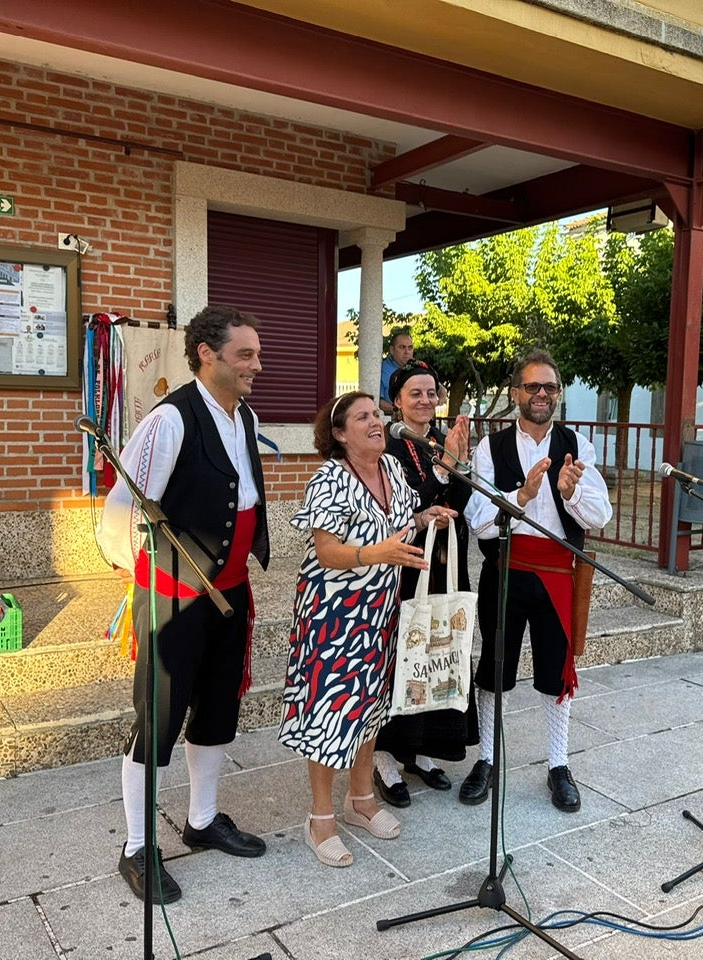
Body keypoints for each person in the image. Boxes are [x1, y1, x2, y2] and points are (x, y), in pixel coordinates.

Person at [97, 305, 269, 904]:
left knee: (218, 710)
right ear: (206, 353)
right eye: (244, 354)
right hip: (174, 596)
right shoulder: (170, 420)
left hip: (231, 593)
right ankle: (138, 846)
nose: (256, 364)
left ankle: (201, 820)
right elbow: (124, 505)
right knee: (158, 721)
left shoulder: (243, 416)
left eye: (256, 353)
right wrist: (139, 573)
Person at [278, 392, 456, 867]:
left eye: (376, 414)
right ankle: (320, 819)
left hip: (380, 611)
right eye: (363, 417)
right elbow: (328, 552)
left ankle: (360, 801)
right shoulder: (329, 480)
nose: (376, 422)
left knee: (370, 708)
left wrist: (424, 517)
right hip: (333, 614)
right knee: (329, 713)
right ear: (339, 433)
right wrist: (377, 553)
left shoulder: (393, 471)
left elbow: (399, 525)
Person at [461, 349, 612, 813]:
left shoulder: (577, 445)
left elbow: (600, 516)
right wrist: (521, 495)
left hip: (558, 573)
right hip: (506, 570)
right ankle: (487, 758)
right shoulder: (491, 447)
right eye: (532, 386)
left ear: (559, 394)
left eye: (549, 387)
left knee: (555, 671)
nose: (541, 394)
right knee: (495, 666)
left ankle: (559, 764)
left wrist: (570, 494)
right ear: (515, 393)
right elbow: (479, 520)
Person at [372, 360, 477, 808]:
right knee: (403, 655)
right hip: (406, 563)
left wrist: (461, 465)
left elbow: (462, 499)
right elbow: (406, 503)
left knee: (440, 651)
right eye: (415, 393)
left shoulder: (439, 440)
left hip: (446, 559)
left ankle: (423, 751)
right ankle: (385, 759)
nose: (425, 400)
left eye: (431, 392)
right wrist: (445, 469)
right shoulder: (389, 446)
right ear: (397, 400)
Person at [378, 329, 414, 416]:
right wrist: (401, 410)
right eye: (402, 347)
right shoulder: (381, 370)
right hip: (391, 422)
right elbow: (377, 401)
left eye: (410, 348)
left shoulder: (416, 368)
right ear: (392, 350)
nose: (407, 352)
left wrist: (440, 388)